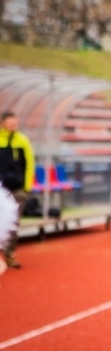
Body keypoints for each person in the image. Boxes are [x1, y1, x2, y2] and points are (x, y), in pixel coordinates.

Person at [0, 111, 35, 269]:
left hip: (18, 189)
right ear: (2, 124)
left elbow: (29, 164)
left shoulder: (22, 140)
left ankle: (10, 255)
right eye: (10, 124)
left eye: (15, 124)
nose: (13, 127)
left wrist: (27, 186)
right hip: (1, 189)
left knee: (13, 222)